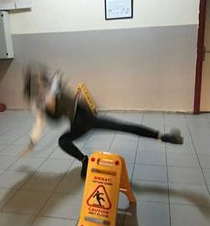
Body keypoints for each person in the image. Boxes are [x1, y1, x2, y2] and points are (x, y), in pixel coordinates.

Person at [20, 63, 183, 179]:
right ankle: (85, 161)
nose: (41, 89)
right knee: (63, 141)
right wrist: (31, 144)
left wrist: (52, 88)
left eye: (42, 85)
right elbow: (39, 124)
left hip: (86, 117)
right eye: (37, 87)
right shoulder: (39, 103)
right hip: (76, 123)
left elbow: (56, 88)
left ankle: (162, 136)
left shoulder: (55, 88)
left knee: (122, 126)